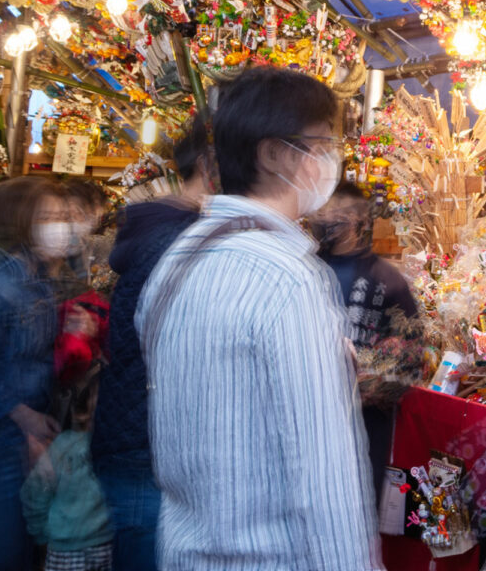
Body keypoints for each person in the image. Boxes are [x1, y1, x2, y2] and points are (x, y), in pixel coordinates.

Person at [136, 67, 381, 570]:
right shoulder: (288, 279)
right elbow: (325, 474)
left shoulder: (176, 260)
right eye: (324, 143)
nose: (331, 159)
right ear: (274, 153)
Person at [90, 114, 211, 570]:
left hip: (144, 442)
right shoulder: (179, 242)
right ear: (212, 164)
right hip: (150, 447)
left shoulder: (169, 232)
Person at [311, 181, 423, 500]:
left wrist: (360, 382)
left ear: (359, 219)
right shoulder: (303, 269)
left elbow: (410, 357)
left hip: (362, 431)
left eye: (339, 212)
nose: (328, 218)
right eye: (323, 210)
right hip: (304, 423)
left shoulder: (388, 281)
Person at [0, 177, 71, 571]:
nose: (60, 225)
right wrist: (24, 418)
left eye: (62, 216)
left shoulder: (42, 280)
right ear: (22, 221)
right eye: (47, 217)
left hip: (33, 433)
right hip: (7, 440)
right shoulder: (3, 283)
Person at [21, 366, 111, 571]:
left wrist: (42, 535)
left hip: (71, 547)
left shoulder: (59, 448)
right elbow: (35, 492)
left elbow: (34, 494)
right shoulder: (62, 448)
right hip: (94, 545)